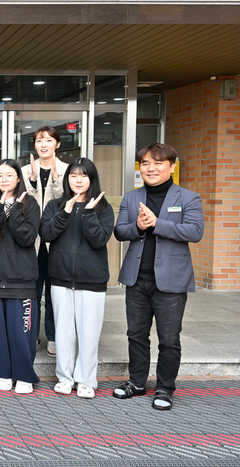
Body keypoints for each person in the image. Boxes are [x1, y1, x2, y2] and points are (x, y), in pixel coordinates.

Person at [112, 143, 204, 411]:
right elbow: (120, 231)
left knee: (169, 338)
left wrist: (157, 224)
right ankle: (137, 382)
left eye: (158, 163)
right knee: (136, 334)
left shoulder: (188, 198)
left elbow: (195, 232)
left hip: (171, 281)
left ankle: (165, 387)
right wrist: (138, 227)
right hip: (137, 278)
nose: (150, 168)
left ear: (172, 166)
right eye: (145, 164)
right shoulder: (131, 197)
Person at [40, 158, 113, 399]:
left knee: (89, 332)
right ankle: (64, 377)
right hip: (60, 277)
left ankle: (86, 380)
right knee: (63, 332)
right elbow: (46, 233)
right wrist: (65, 213)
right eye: (73, 175)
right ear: (66, 178)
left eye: (83, 176)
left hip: (91, 280)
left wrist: (89, 213)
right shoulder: (54, 205)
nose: (78, 180)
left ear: (91, 179)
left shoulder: (104, 208)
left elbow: (100, 239)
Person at [0, 159, 41, 394]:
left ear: (18, 178)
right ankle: (2, 373)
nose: (4, 179)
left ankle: (24, 375)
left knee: (22, 332)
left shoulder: (30, 204)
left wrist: (13, 210)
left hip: (21, 280)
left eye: (9, 175)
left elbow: (27, 238)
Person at [21, 126, 69, 357]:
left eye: (49, 140)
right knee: (32, 290)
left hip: (56, 240)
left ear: (57, 144)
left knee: (54, 292)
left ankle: (53, 336)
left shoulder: (69, 170)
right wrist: (31, 179)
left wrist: (57, 179)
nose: (43, 144)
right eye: (39, 140)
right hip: (31, 241)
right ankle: (31, 335)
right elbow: (24, 203)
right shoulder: (23, 171)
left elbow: (63, 202)